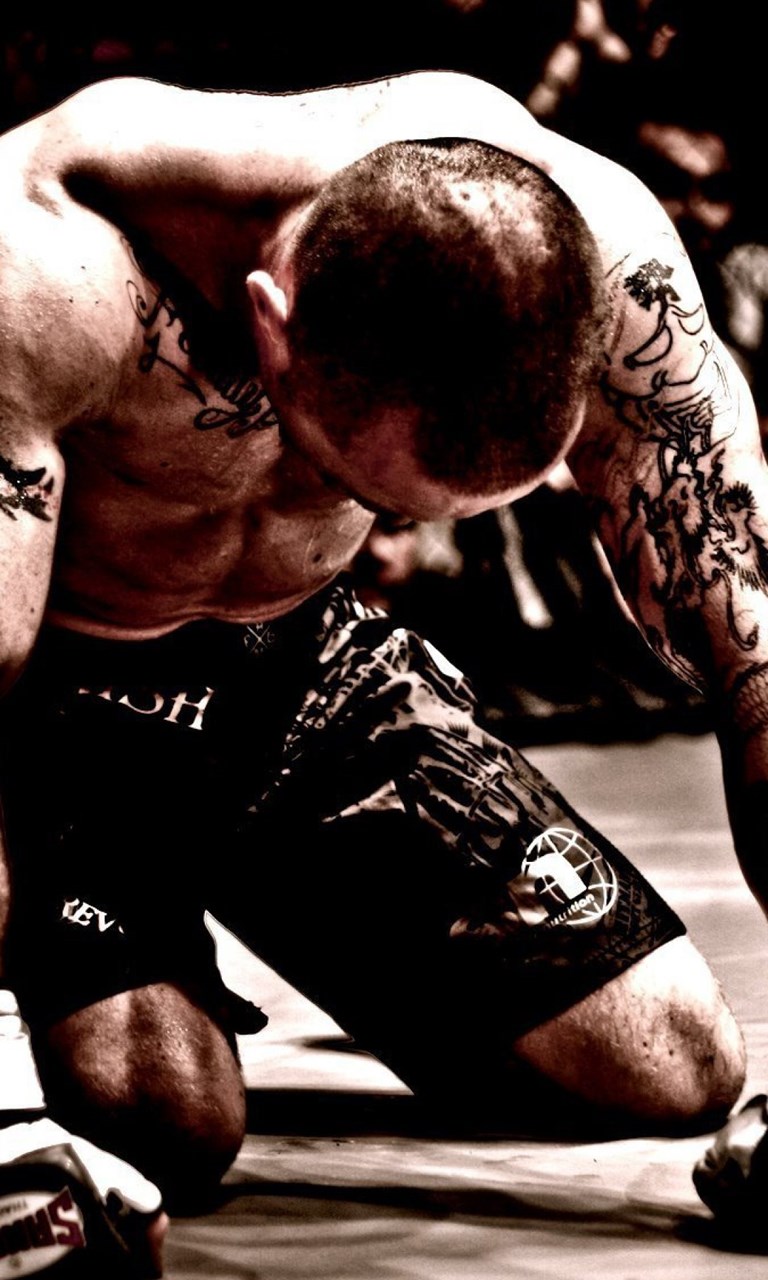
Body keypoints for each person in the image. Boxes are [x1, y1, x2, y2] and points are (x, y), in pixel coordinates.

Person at [0, 68, 761, 1272]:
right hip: (56, 701)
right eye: (356, 485)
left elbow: (755, 645)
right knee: (162, 1123)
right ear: (273, 324)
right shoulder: (39, 270)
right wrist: (4, 1122)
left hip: (307, 660)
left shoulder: (600, 257)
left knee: (677, 1061)